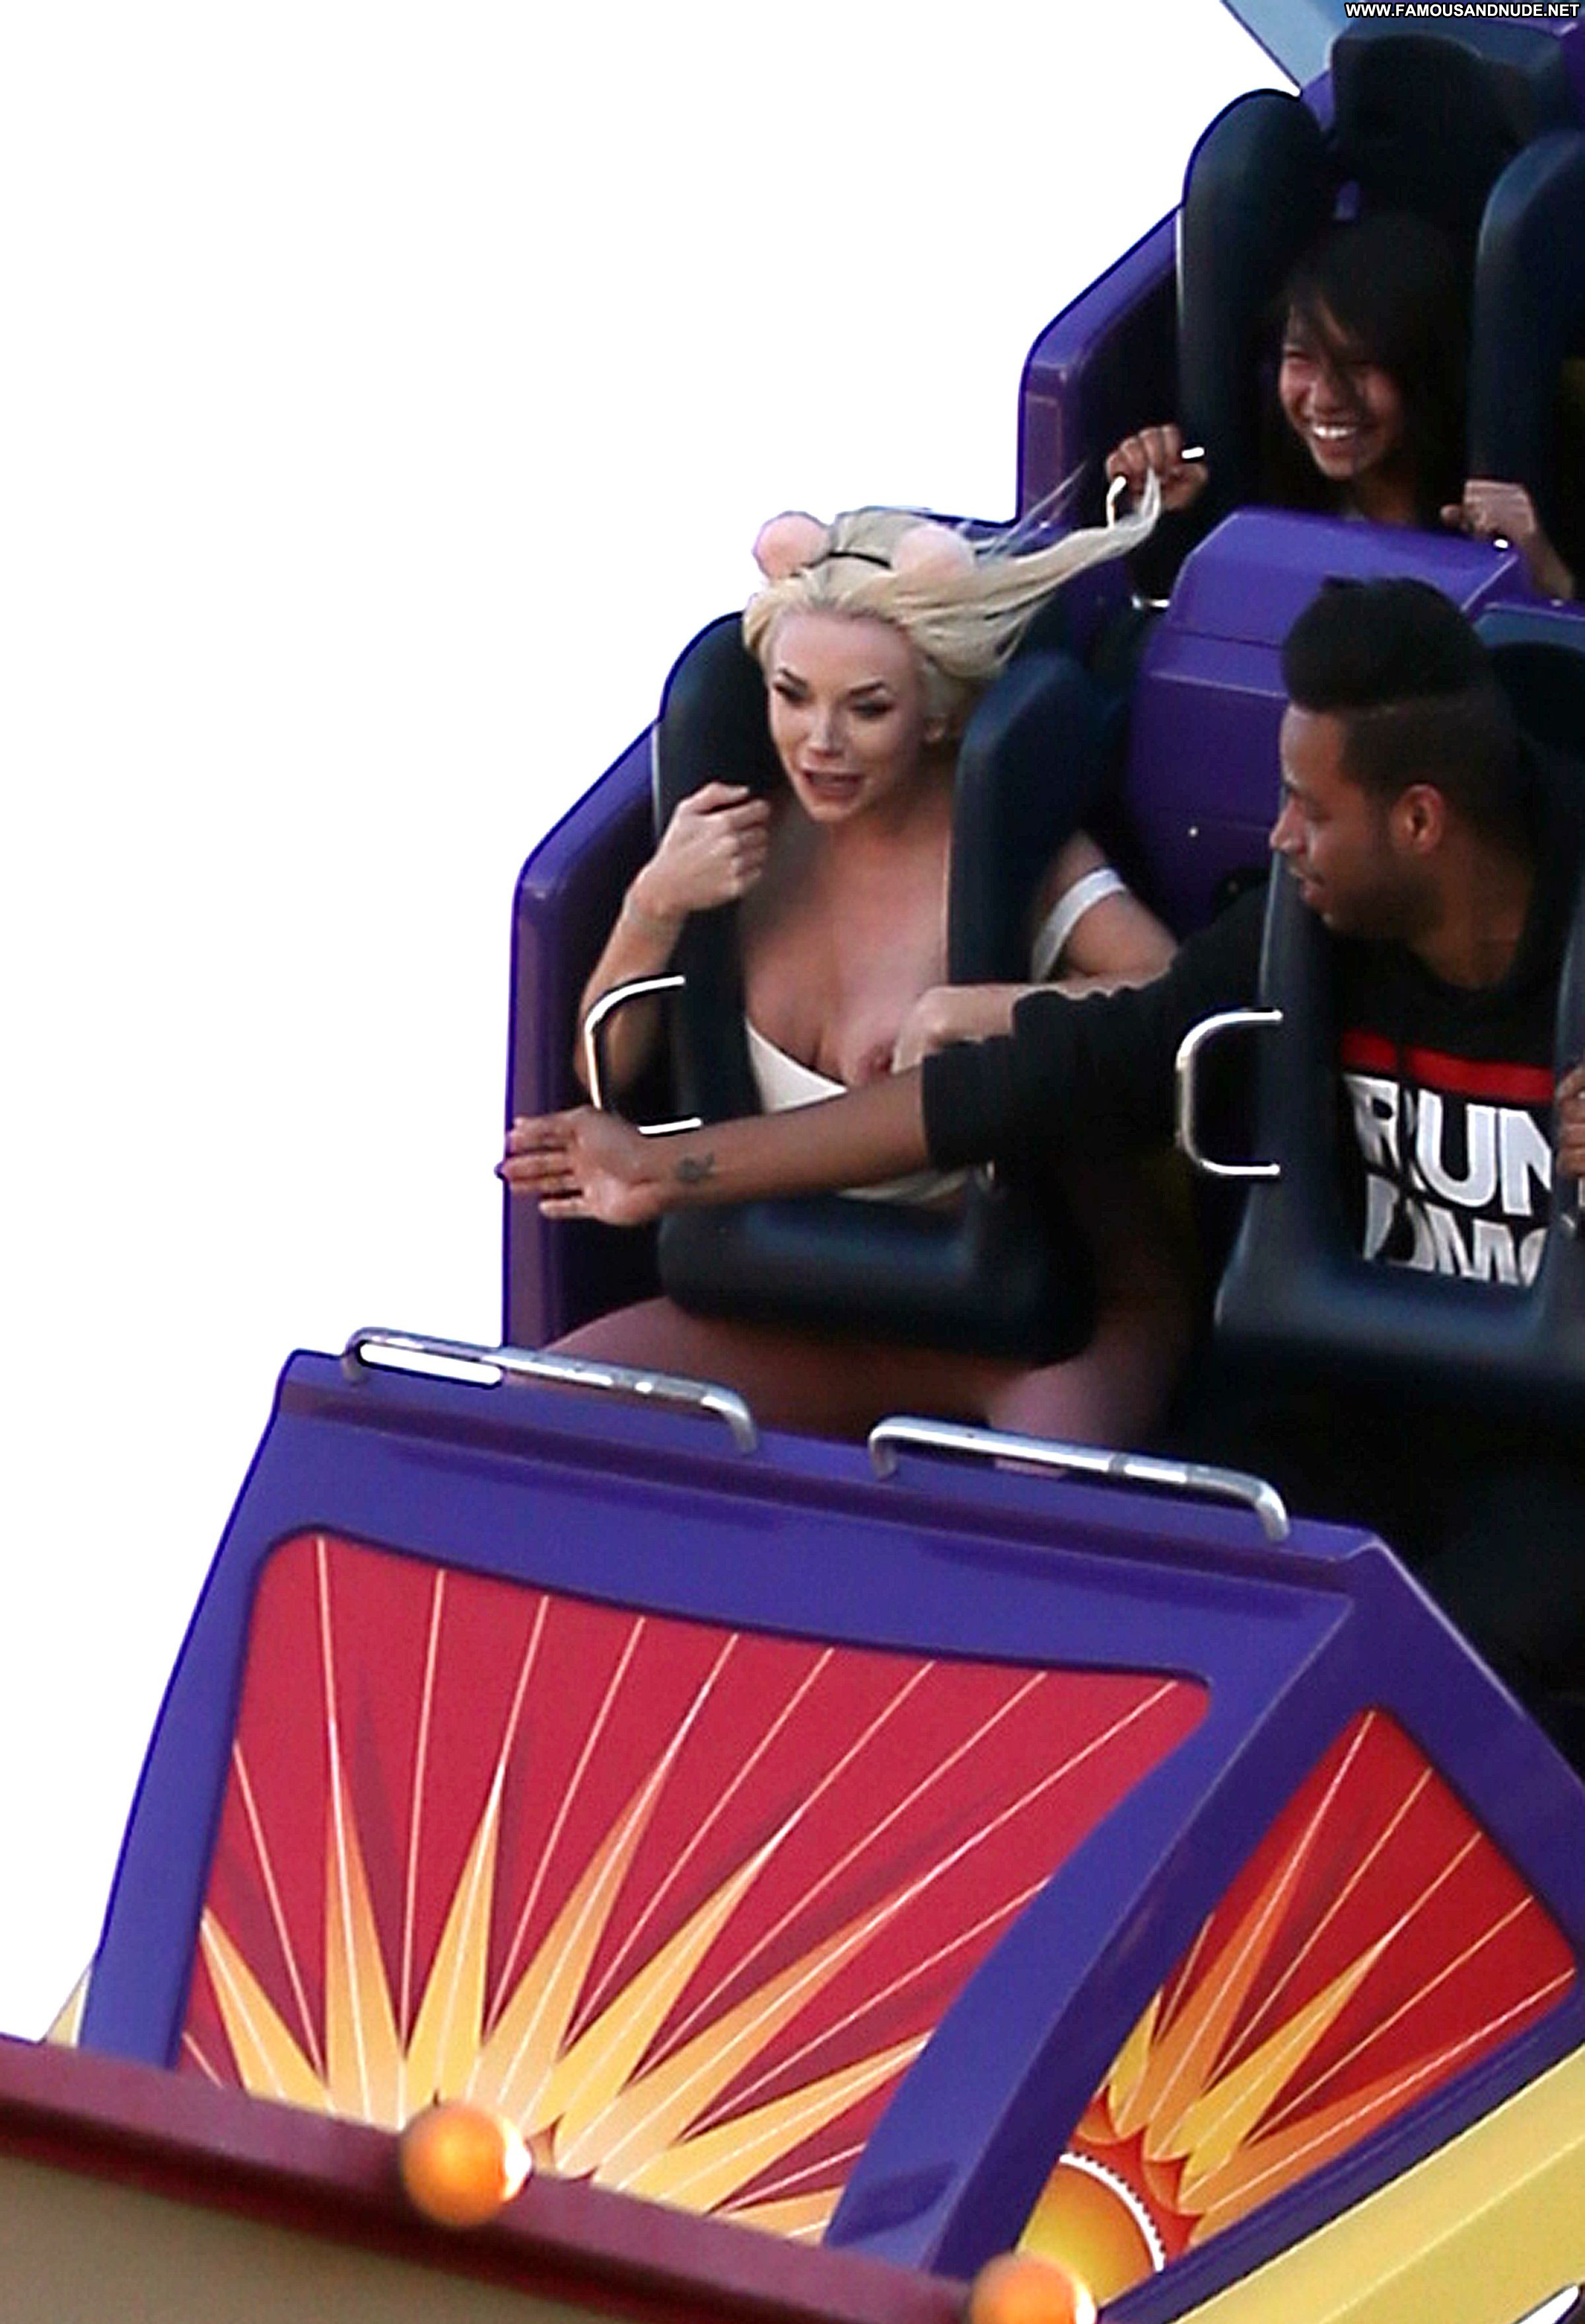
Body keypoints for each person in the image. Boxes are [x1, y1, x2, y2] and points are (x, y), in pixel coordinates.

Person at [503, 578, 1585, 1729]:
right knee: (1157, 1629)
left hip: (1549, 1447)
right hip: (1344, 1411)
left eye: (1309, 811)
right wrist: (668, 1169)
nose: (1278, 838)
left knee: (1442, 1682)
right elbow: (1019, 1086)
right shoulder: (1293, 933)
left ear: (1418, 823)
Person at [537, 491, 1193, 1444]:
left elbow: (1176, 1000)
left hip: (1028, 1324)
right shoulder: (738, 837)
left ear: (937, 714)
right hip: (796, 1302)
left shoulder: (1011, 858)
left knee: (1044, 1502)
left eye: (867, 709)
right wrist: (653, 907)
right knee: (527, 1428)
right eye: (792, 696)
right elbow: (608, 1073)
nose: (821, 742)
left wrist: (988, 1011)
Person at [1108, 213, 1577, 601]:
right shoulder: (1254, 489)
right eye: (1301, 359)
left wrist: (1550, 582)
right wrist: (1161, 518)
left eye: (1359, 365)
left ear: (1426, 372)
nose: (1325, 399)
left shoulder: (1545, 502)